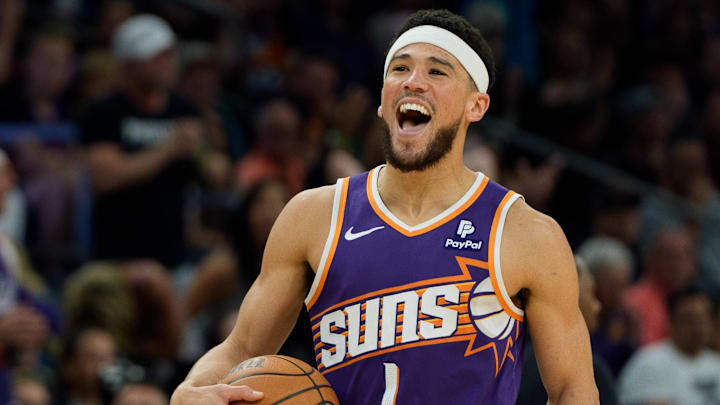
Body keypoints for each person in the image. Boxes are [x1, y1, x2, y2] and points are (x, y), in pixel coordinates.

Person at [172, 9, 598, 404]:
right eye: (400, 68)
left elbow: (571, 389)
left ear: (476, 105)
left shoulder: (525, 232)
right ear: (382, 99)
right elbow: (242, 348)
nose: (413, 81)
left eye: (437, 71)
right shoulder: (314, 215)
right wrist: (191, 390)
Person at [80, 14, 202, 269]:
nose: (167, 63)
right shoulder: (105, 112)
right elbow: (105, 177)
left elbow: (208, 173)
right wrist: (170, 148)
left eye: (169, 55)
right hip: (117, 256)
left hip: (173, 255)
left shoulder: (185, 109)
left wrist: (208, 156)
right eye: (156, 57)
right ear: (128, 64)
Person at [516, 256, 617, 405]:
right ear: (567, 298)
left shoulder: (502, 359)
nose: (597, 306)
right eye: (592, 294)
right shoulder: (588, 372)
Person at [617, 288, 720, 405]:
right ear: (671, 323)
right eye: (690, 320)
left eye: (703, 320)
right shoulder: (650, 363)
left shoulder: (716, 363)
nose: (698, 328)